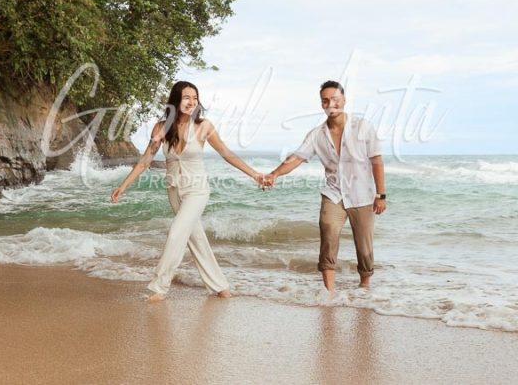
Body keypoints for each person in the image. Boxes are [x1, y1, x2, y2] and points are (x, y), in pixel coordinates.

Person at [110, 81, 264, 301]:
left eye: (195, 98)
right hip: (174, 190)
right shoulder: (161, 128)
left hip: (197, 190)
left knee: (176, 233)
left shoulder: (204, 126)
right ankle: (221, 288)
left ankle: (159, 287)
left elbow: (226, 153)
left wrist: (255, 174)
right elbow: (146, 160)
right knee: (196, 239)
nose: (192, 102)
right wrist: (123, 186)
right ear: (176, 100)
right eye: (186, 97)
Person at [263, 80, 386, 293]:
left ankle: (365, 286)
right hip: (334, 194)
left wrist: (381, 194)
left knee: (364, 248)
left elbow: (377, 160)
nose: (331, 104)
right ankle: (330, 293)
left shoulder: (362, 127)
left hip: (362, 196)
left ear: (344, 100)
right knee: (328, 233)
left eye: (335, 99)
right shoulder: (317, 134)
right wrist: (274, 174)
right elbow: (296, 158)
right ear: (322, 105)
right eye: (326, 101)